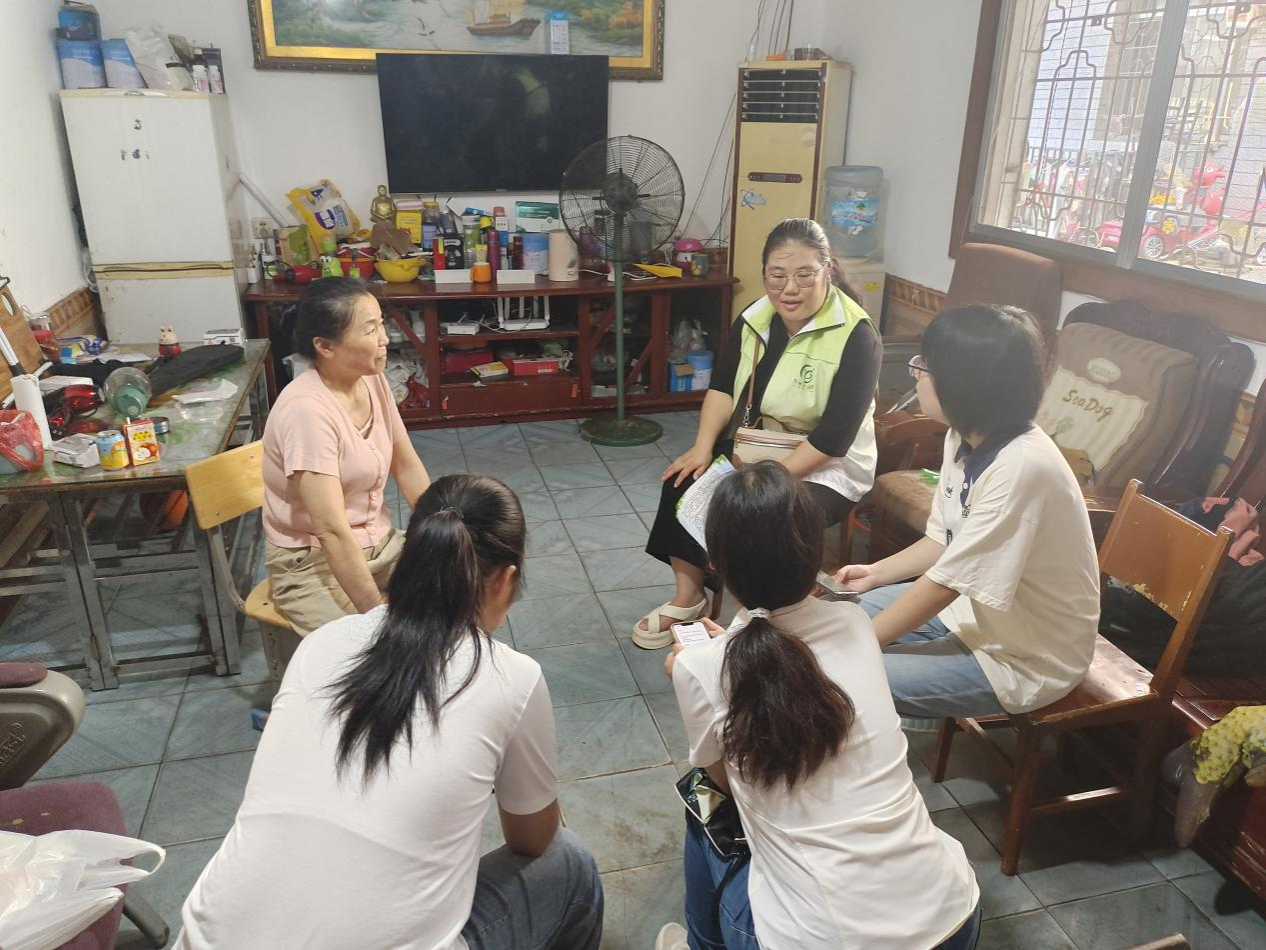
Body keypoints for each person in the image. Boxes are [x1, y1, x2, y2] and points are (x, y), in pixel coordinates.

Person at [177, 475, 603, 950]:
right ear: (505, 579)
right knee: (569, 861)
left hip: (205, 938)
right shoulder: (512, 678)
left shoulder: (321, 644)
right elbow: (533, 840)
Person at [659, 461, 980, 949]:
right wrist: (725, 656)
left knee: (701, 797)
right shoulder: (854, 624)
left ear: (716, 567)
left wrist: (697, 669)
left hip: (818, 940)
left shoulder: (701, 667)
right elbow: (791, 654)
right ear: (815, 556)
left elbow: (723, 782)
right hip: (953, 916)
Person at [837, 304, 1100, 720]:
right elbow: (944, 539)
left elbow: (945, 585)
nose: (917, 374)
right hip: (972, 614)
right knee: (834, 622)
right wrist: (876, 573)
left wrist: (858, 646)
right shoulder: (963, 436)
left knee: (837, 674)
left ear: (964, 384)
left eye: (925, 366)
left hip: (1025, 656)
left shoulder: (1022, 467)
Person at [636, 218, 882, 647]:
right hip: (760, 445)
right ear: (764, 273)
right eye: (777, 276)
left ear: (827, 271)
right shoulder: (755, 317)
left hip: (829, 464)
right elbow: (722, 387)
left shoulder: (857, 336)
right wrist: (702, 447)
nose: (790, 289)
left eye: (804, 275)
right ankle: (689, 597)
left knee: (767, 513)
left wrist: (768, 481)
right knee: (683, 481)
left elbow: (834, 438)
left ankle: (763, 616)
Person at [261, 277, 431, 634]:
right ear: (324, 346)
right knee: (371, 644)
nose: (384, 338)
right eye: (370, 330)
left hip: (378, 545)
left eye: (381, 324)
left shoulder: (371, 378)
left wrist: (441, 527)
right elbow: (331, 530)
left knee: (460, 581)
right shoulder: (307, 411)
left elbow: (406, 464)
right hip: (312, 562)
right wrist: (376, 616)